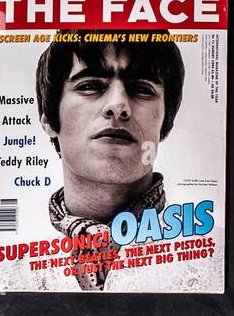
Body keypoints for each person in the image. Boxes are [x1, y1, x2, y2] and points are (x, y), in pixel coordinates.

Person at [33, 34, 186, 292]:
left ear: (165, 125)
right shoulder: (5, 277)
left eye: (141, 88)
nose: (118, 106)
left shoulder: (219, 257)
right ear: (49, 118)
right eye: (90, 86)